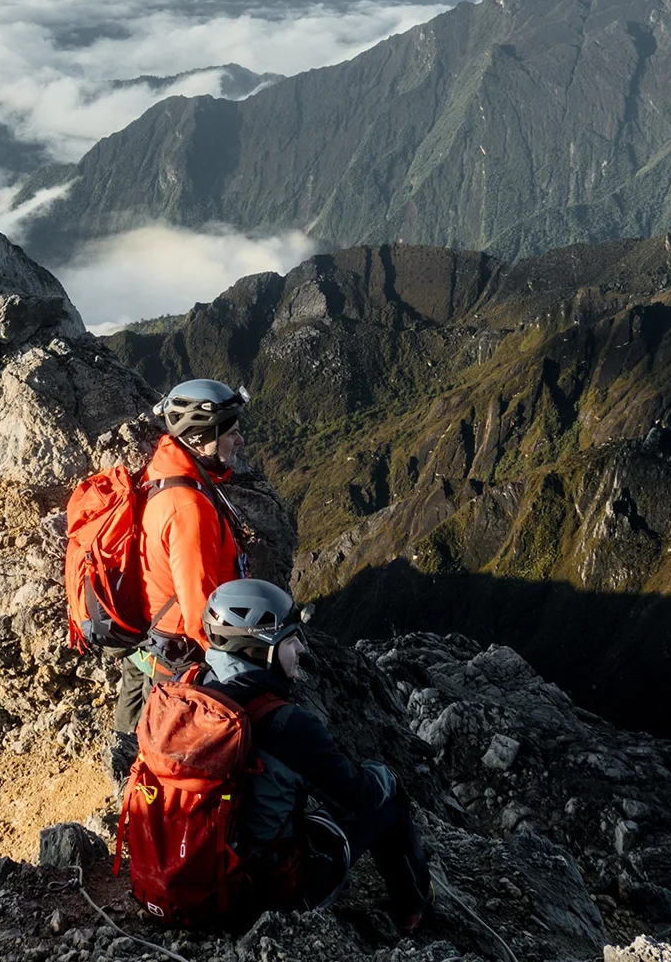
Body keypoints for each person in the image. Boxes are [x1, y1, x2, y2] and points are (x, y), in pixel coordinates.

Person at [200, 578, 432, 931]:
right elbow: (359, 800)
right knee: (388, 797)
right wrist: (379, 775)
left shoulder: (194, 691)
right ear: (262, 648)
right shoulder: (287, 726)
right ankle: (414, 910)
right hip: (263, 901)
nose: (302, 649)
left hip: (193, 876)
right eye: (291, 639)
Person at [107, 378, 253, 782]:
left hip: (147, 650)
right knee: (172, 770)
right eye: (231, 431)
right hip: (174, 661)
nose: (239, 440)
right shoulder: (189, 508)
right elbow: (199, 614)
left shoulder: (164, 470)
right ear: (201, 438)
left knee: (135, 757)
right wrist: (243, 671)